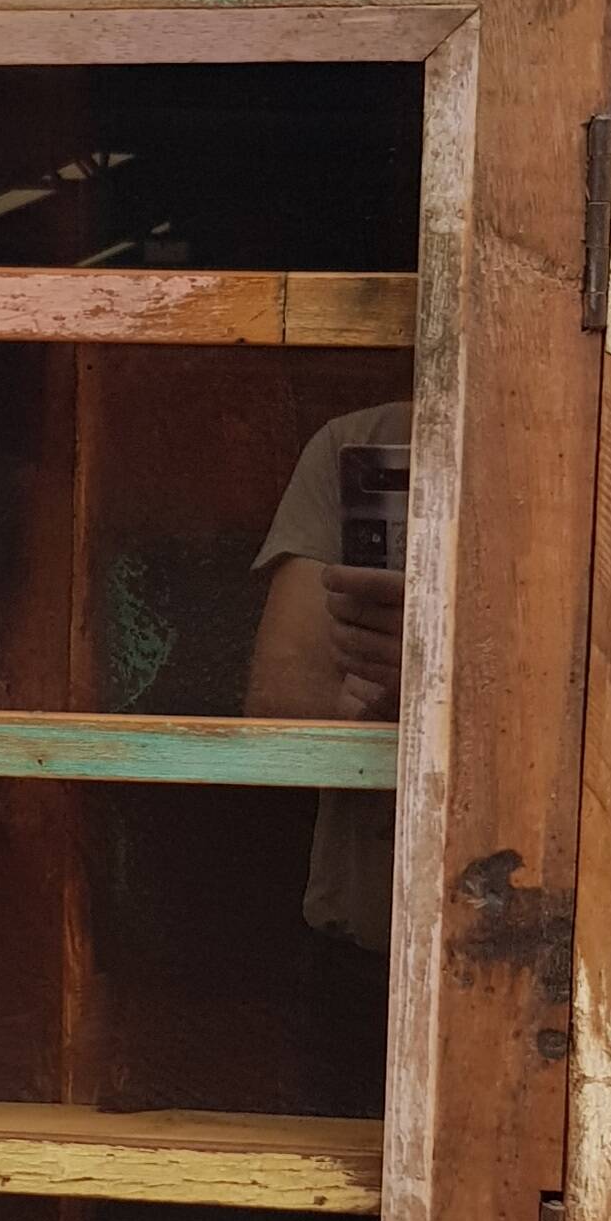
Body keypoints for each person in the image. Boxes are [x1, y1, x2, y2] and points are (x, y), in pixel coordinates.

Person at [244, 400, 412, 1111]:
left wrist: (451, 668)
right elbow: (279, 710)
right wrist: (401, 690)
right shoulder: (363, 443)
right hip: (366, 960)